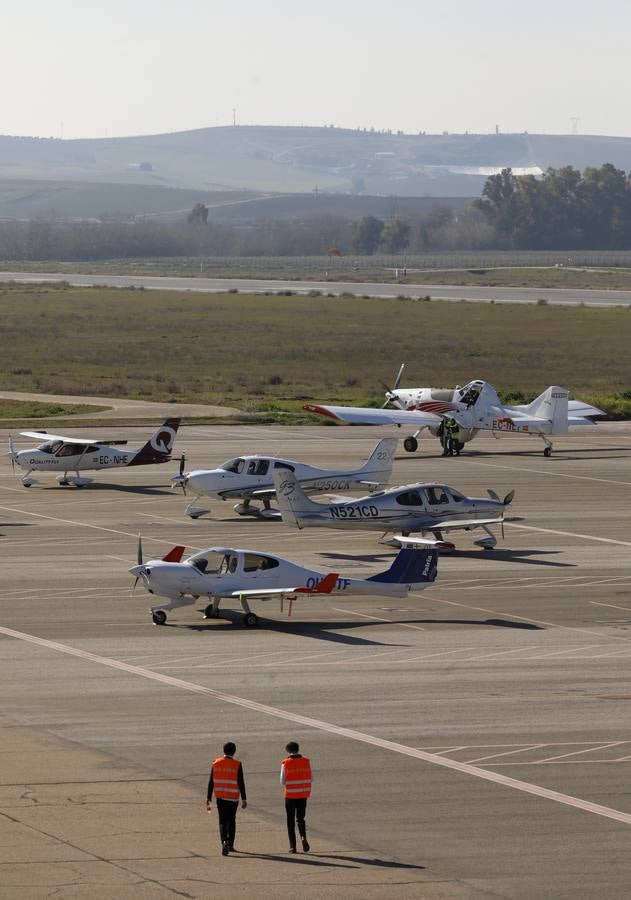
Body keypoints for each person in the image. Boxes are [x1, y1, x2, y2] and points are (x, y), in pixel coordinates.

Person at [207, 741, 247, 856]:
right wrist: (244, 798)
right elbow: (241, 782)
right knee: (231, 820)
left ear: (223, 751)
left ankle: (224, 841)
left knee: (222, 821)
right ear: (234, 752)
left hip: (220, 797)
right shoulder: (237, 764)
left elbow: (211, 782)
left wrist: (208, 797)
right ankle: (231, 844)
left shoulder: (216, 763)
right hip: (233, 798)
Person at [280, 741, 312, 853]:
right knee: (300, 818)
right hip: (303, 795)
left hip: (290, 795)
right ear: (298, 749)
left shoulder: (286, 763)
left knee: (290, 821)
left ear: (288, 751)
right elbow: (311, 778)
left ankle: (293, 846)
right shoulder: (306, 761)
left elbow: (282, 781)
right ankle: (303, 837)